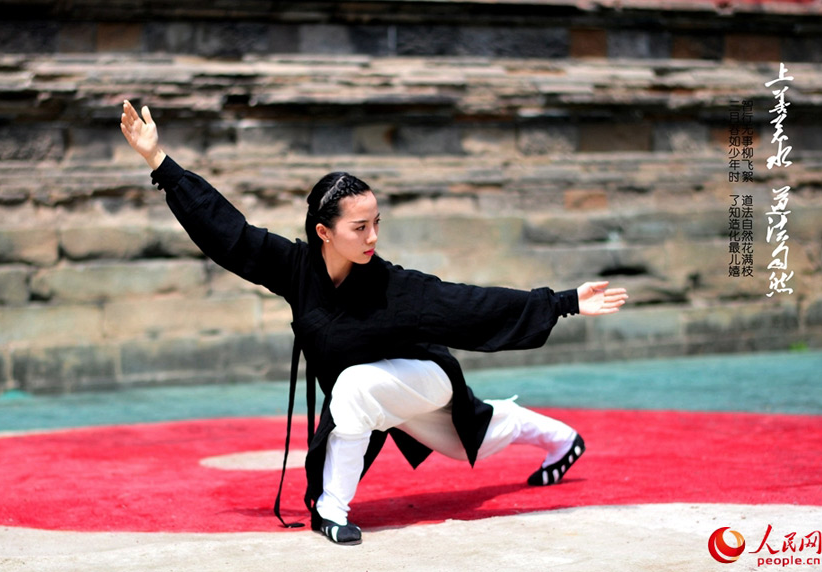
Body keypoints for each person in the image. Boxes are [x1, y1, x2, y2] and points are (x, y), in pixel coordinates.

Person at [120, 100, 629, 546]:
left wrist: (563, 302)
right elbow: (228, 232)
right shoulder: (295, 269)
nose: (372, 237)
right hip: (371, 397)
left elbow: (471, 304)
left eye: (376, 223)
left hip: (424, 379)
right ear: (324, 231)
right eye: (359, 227)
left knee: (360, 386)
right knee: (473, 435)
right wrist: (157, 161)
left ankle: (333, 513)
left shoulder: (396, 286)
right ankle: (563, 439)